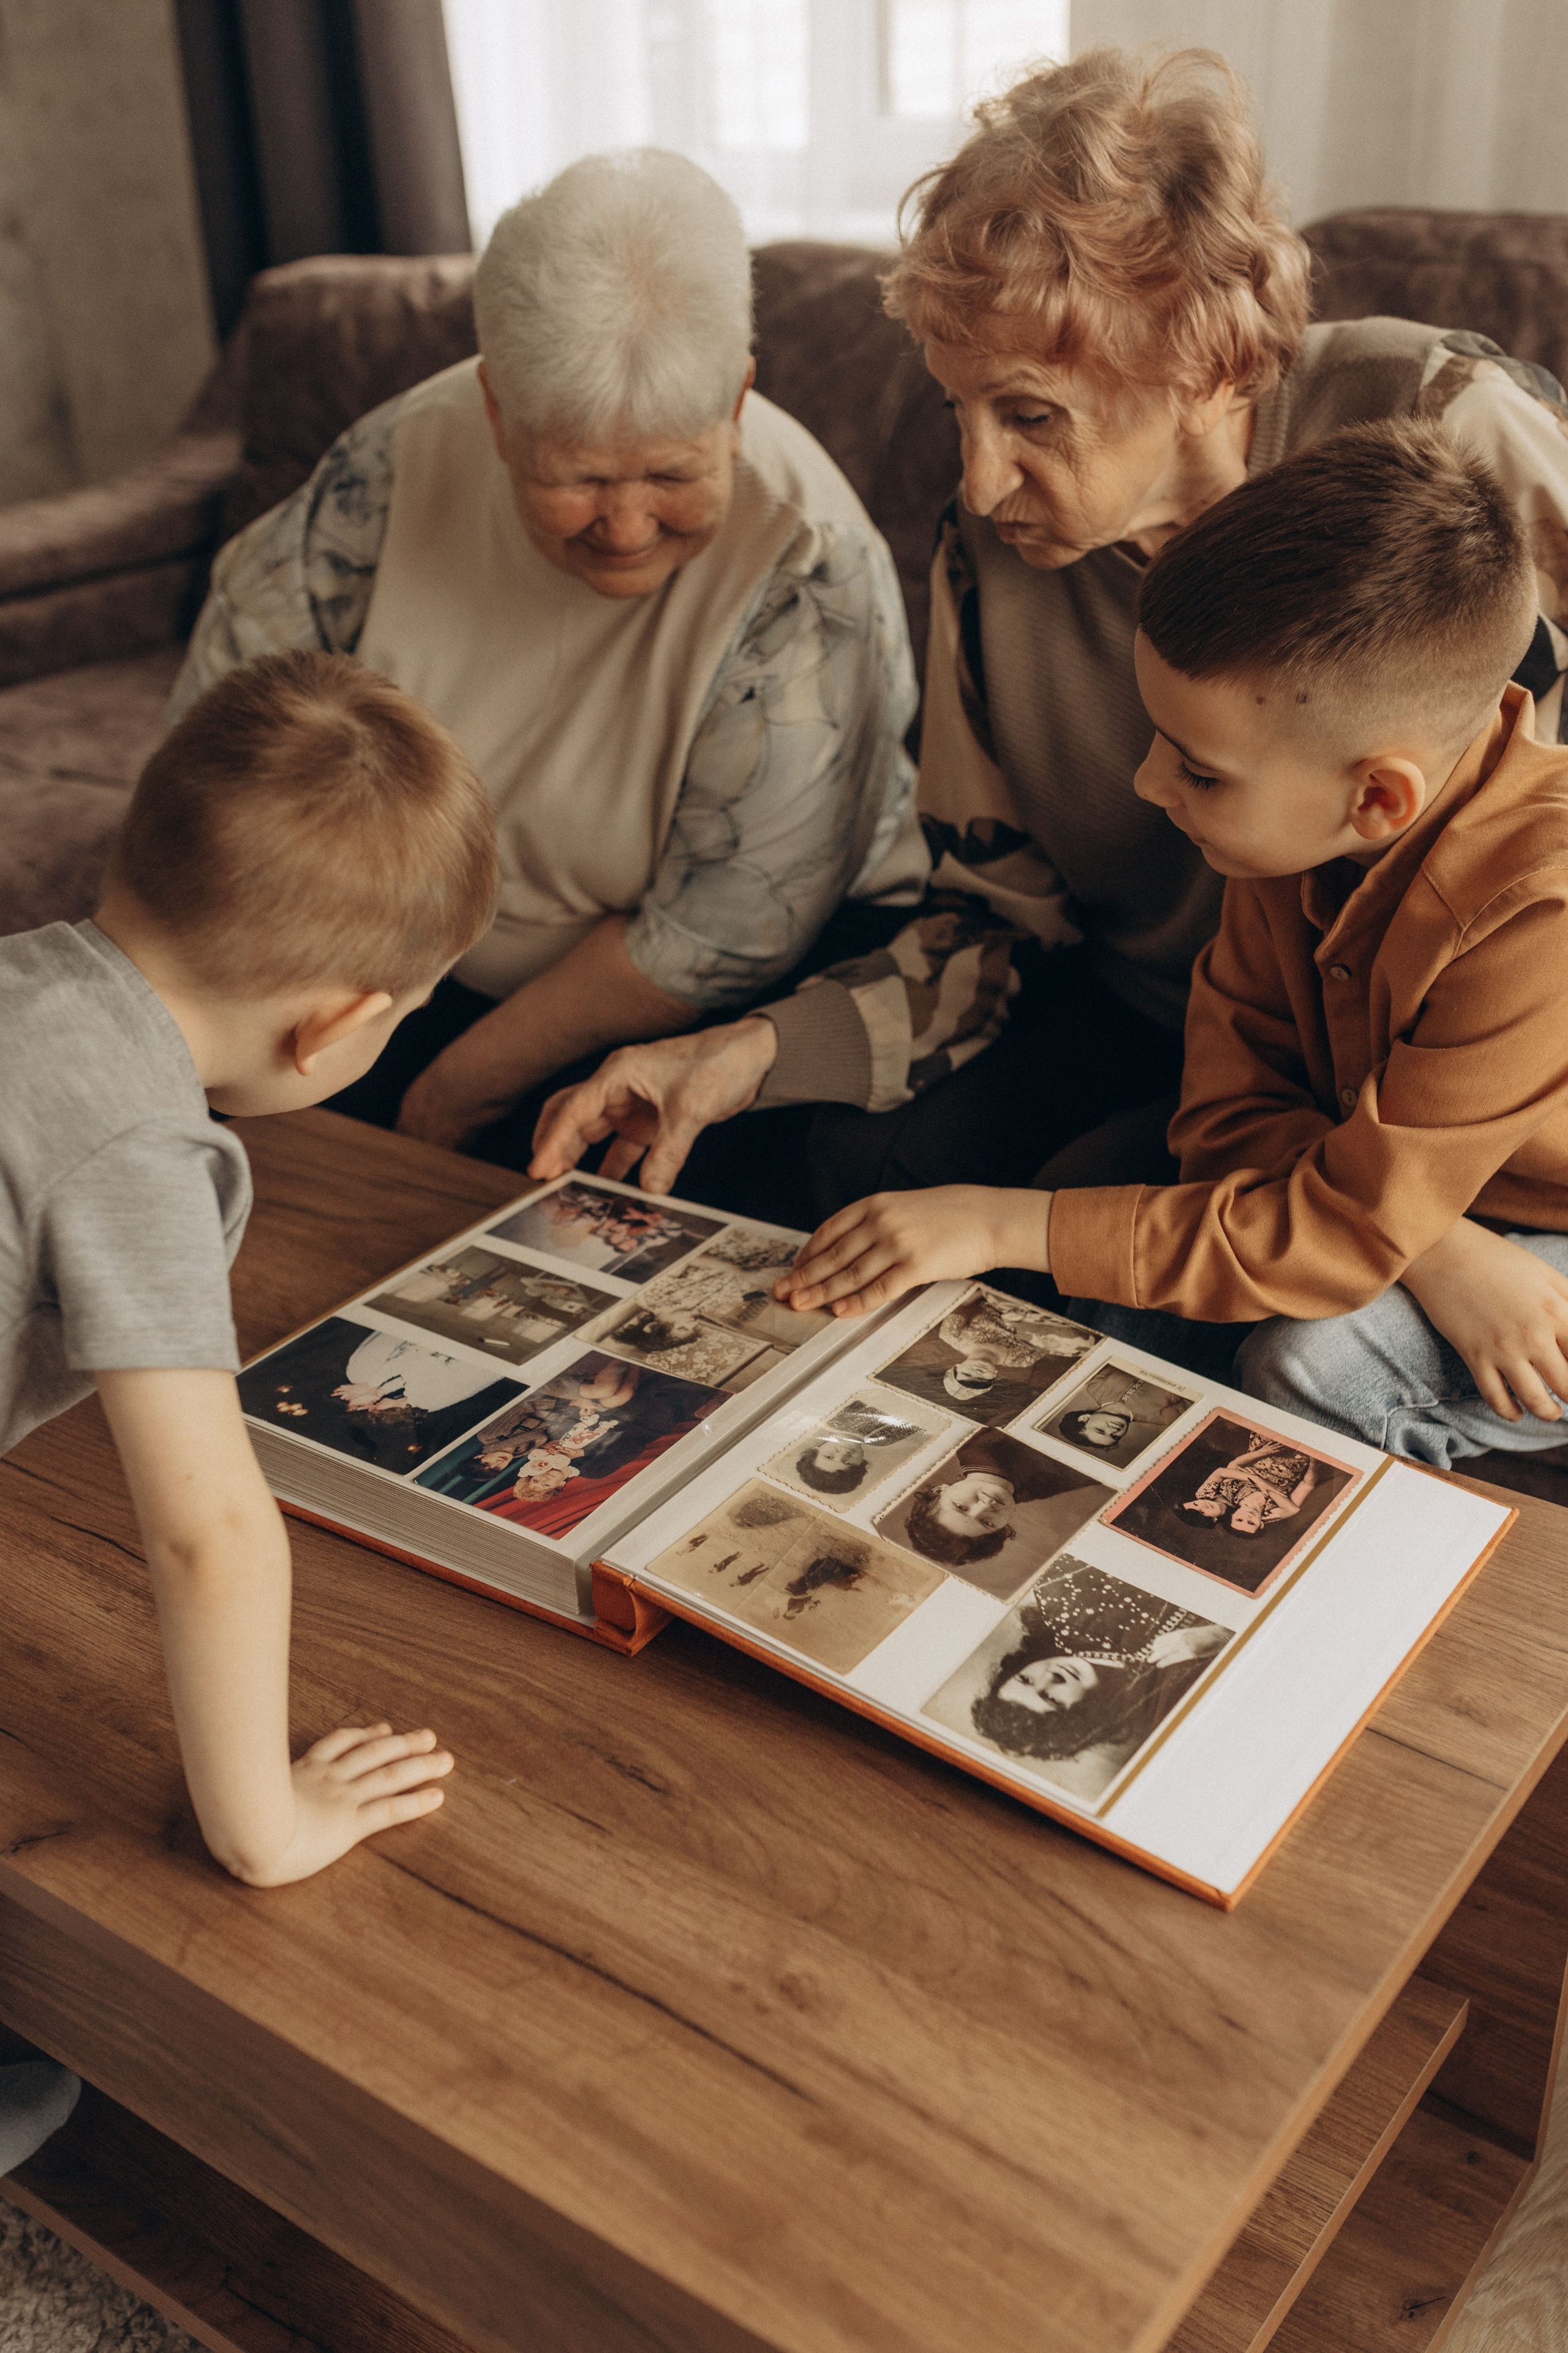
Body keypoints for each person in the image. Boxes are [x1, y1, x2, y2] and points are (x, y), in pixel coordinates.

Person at [533, 46, 1568, 1224]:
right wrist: (744, 1053)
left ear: (1199, 362)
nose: (979, 482)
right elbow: (991, 921)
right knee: (857, 1166)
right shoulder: (988, 559)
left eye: (1029, 414)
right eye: (957, 410)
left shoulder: (1445, 425)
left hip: (1466, 1054)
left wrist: (1430, 1206)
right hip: (1169, 1021)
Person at [771, 421, 1568, 1470]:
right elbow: (1225, 1121)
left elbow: (1335, 1232)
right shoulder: (1287, 840)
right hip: (1402, 1193)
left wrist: (998, 1222)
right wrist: (1431, 1244)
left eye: (1197, 769)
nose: (1149, 783)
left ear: (1379, 795)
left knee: (1313, 1364)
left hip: (1537, 1237)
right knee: (1112, 1304)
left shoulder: (1538, 911)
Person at [171, 148, 924, 1175]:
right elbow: (227, 740)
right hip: (409, 969)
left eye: (670, 473)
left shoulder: (808, 565)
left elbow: (725, 929)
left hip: (721, 993)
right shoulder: (390, 470)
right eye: (577, 477)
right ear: (495, 411)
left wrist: (445, 1098)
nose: (625, 524)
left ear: (738, 402)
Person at [0, 649, 496, 2166]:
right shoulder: (138, 1147)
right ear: (335, 1027)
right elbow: (210, 1529)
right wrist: (268, 1828)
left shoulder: (26, 975)